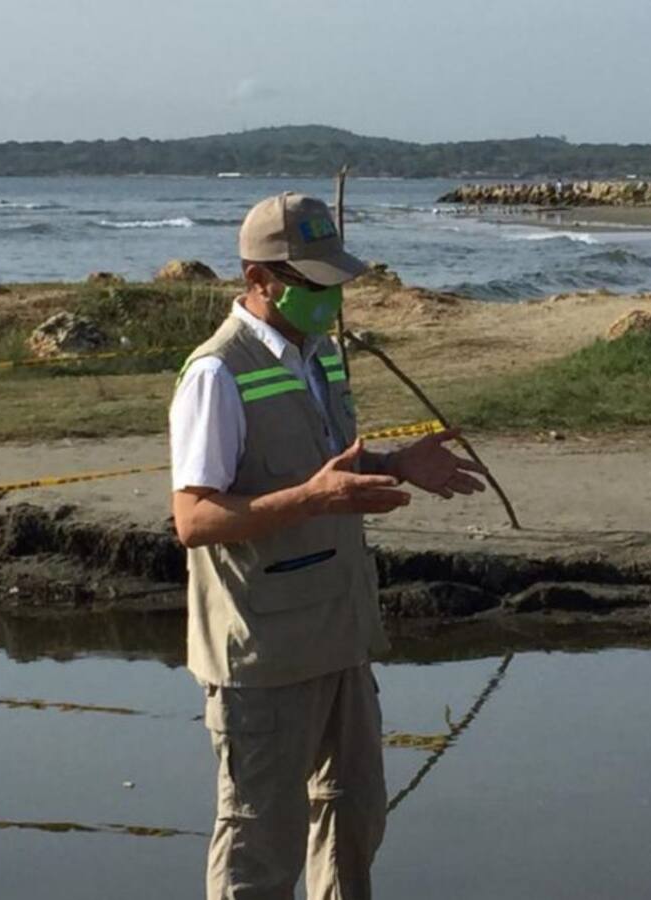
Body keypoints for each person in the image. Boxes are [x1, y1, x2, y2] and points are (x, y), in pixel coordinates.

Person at [169, 192, 486, 900]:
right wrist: (311, 499)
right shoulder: (216, 373)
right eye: (312, 283)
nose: (329, 297)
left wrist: (399, 465)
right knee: (261, 844)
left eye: (335, 280)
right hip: (262, 650)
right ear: (258, 278)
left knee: (353, 820)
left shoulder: (323, 358)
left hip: (339, 634)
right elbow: (192, 520)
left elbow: (330, 466)